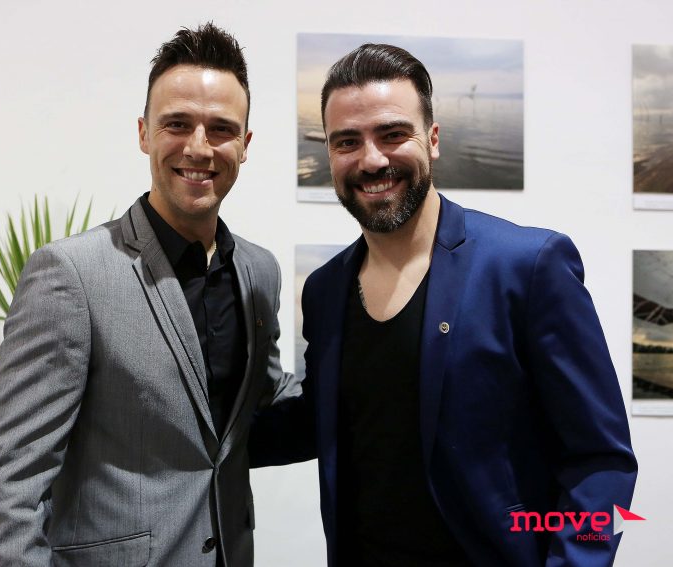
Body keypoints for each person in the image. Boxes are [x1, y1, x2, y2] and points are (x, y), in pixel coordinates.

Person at [254, 44, 637, 566]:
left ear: (432, 140)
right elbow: (324, 421)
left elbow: (601, 461)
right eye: (347, 141)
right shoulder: (325, 290)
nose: (371, 159)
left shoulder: (527, 266)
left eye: (393, 134)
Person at [0, 23, 297, 567]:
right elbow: (8, 483)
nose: (199, 147)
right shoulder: (71, 274)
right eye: (178, 123)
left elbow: (259, 407)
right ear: (144, 133)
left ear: (245, 145)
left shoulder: (258, 272)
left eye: (221, 128)